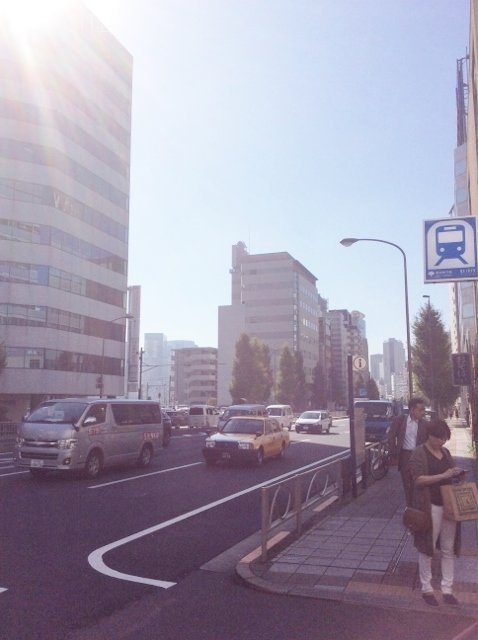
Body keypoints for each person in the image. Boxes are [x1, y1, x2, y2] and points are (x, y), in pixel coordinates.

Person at [409, 419, 463, 607]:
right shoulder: (419, 453)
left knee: (448, 549)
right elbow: (417, 480)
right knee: (428, 548)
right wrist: (444, 476)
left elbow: (450, 475)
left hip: (449, 506)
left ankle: (447, 589)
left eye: (445, 439)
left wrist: (456, 474)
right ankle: (427, 589)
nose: (442, 442)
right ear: (430, 435)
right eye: (439, 438)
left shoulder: (446, 453)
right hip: (430, 506)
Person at [388, 397, 429, 506]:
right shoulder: (400, 420)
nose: (423, 412)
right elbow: (391, 436)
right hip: (405, 456)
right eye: (420, 410)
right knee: (407, 484)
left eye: (423, 409)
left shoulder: (425, 424)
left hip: (419, 457)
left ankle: (418, 507)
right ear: (412, 410)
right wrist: (393, 453)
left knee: (419, 484)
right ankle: (410, 508)